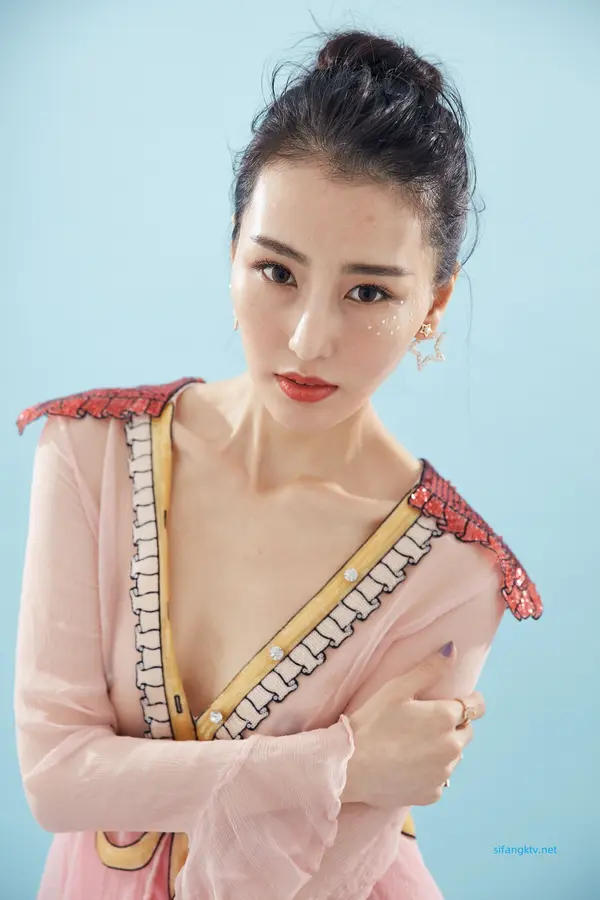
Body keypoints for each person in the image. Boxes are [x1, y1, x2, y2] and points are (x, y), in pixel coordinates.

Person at [13, 28, 542, 900]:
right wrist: (341, 764)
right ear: (233, 250)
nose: (308, 338)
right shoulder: (89, 452)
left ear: (434, 304)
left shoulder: (453, 573)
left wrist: (143, 777)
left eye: (368, 292)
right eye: (277, 271)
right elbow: (56, 778)